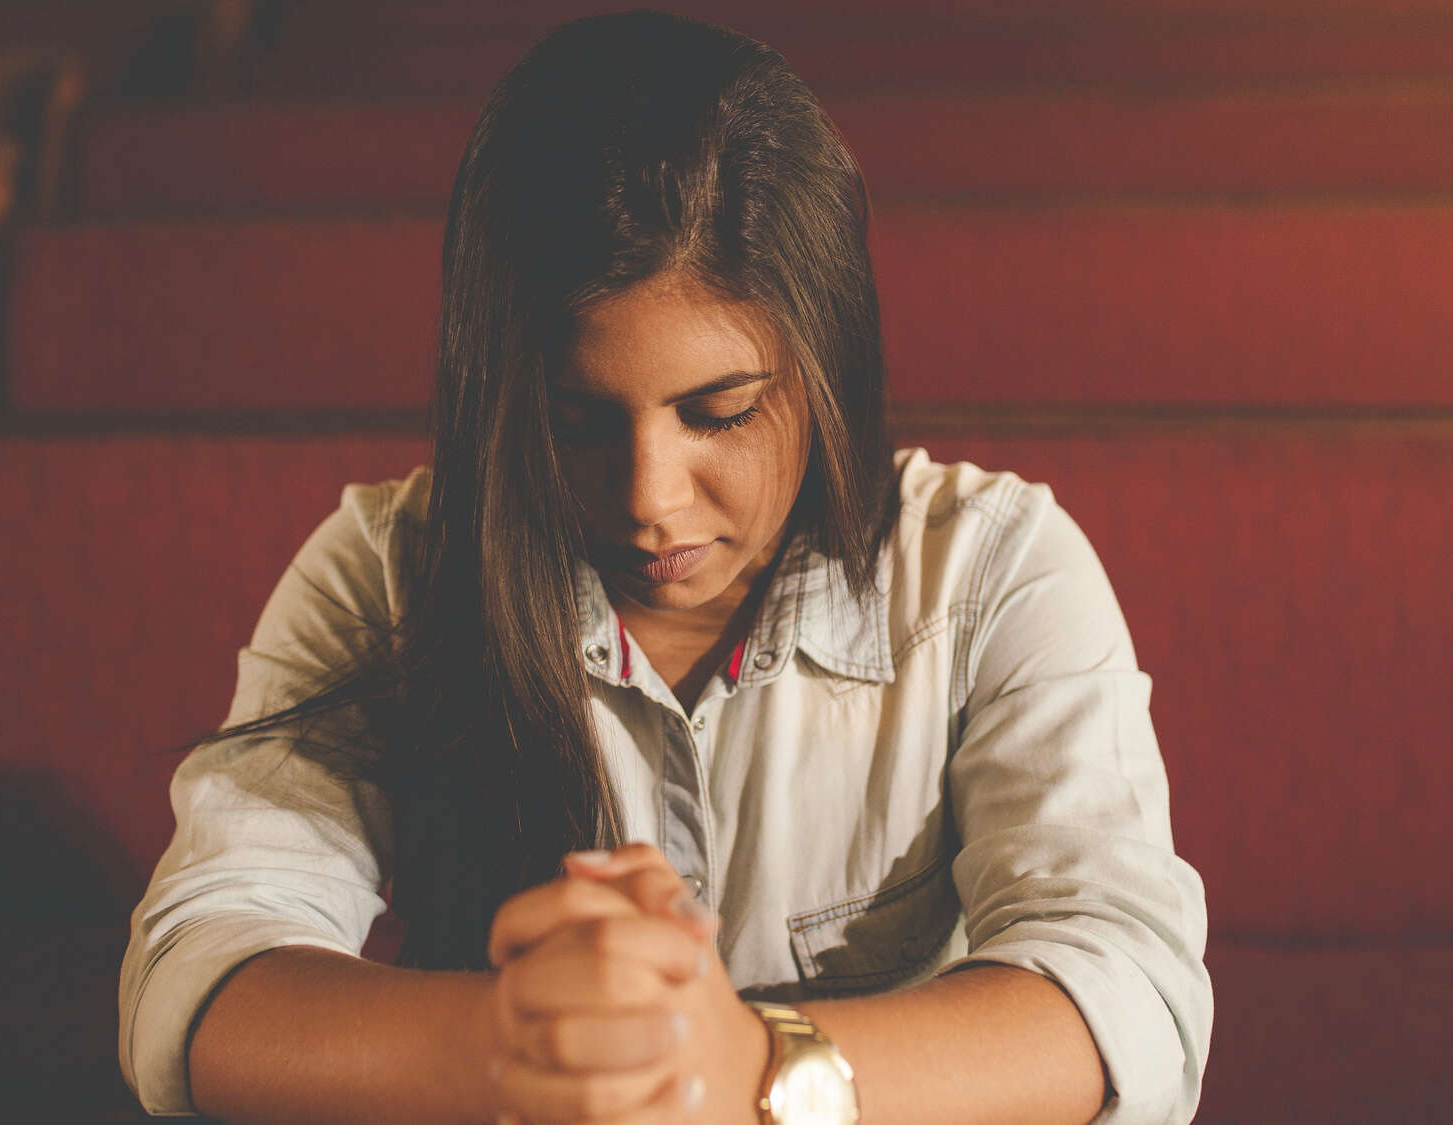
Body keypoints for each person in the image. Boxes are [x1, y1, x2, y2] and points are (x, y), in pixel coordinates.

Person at [118, 12, 1211, 1124]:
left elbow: (1127, 997)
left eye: (720, 413)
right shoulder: (391, 570)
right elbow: (199, 976)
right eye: (574, 423)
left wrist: (746, 1070)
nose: (648, 498)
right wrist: (522, 1044)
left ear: (825, 366)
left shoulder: (988, 570)